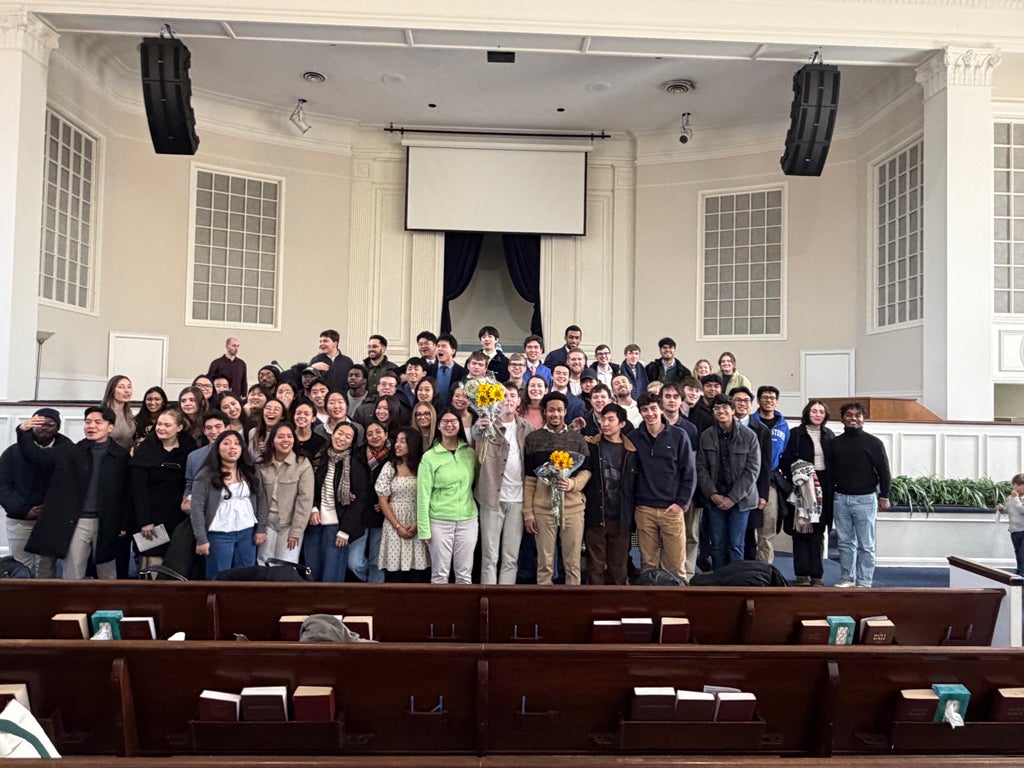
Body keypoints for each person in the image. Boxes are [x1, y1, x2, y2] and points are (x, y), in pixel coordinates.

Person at [20, 406, 132, 580]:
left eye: (98, 422)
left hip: (108, 521)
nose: (91, 426)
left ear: (110, 427)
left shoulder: (121, 456)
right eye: (88, 422)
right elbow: (37, 457)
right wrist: (23, 432)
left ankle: (108, 599)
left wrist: (124, 523)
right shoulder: (71, 451)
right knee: (73, 570)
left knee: (108, 571)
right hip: (78, 519)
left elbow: (126, 492)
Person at [522, 392, 591, 585]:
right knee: (544, 564)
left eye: (560, 410)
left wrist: (573, 484)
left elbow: (586, 471)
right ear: (544, 412)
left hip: (572, 509)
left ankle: (571, 599)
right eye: (551, 410)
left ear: (565, 412)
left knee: (573, 563)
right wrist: (528, 513)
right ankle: (545, 600)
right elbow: (530, 479)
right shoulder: (534, 439)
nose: (556, 414)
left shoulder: (577, 439)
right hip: (543, 510)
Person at [630, 393, 696, 581]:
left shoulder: (679, 435)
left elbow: (689, 473)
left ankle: (678, 599)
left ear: (660, 409)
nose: (649, 413)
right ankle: (649, 599)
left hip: (671, 509)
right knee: (648, 565)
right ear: (640, 413)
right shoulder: (634, 437)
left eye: (653, 408)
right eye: (644, 410)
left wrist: (680, 503)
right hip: (644, 509)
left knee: (675, 566)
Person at [473, 383, 534, 584]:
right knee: (489, 556)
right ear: (496, 400)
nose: (508, 399)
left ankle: (506, 596)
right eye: (504, 396)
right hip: (491, 498)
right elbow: (476, 434)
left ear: (518, 401)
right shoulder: (487, 424)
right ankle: (488, 596)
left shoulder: (526, 427)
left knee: (511, 556)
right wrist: (481, 424)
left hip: (518, 499)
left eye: (512, 395)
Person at [0, 408, 71, 576]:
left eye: (50, 424)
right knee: (21, 566)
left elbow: (69, 486)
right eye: (39, 423)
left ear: (58, 427)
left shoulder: (67, 451)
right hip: (20, 519)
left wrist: (51, 508)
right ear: (31, 425)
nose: (44, 427)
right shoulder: (12, 452)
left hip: (51, 519)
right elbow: (3, 485)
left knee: (46, 568)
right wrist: (24, 510)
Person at [190, 430, 268, 580]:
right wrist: (201, 538)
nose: (232, 447)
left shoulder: (251, 471)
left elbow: (261, 500)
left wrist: (261, 528)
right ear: (217, 449)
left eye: (237, 444)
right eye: (226, 443)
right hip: (219, 534)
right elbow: (197, 508)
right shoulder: (205, 475)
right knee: (219, 577)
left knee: (246, 576)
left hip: (247, 532)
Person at [696, 394, 761, 570]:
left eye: (725, 407)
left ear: (733, 410)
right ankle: (719, 580)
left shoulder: (749, 436)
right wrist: (713, 495)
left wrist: (732, 498)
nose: (721, 411)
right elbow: (701, 468)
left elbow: (752, 471)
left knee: (736, 545)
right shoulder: (706, 436)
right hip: (715, 499)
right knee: (717, 544)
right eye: (717, 408)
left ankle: (735, 581)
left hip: (740, 500)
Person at [831, 402, 891, 588]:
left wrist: (885, 496)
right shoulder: (835, 443)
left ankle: (864, 582)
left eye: (858, 415)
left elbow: (884, 471)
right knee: (845, 542)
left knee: (866, 544)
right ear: (842, 419)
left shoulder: (874, 443)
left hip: (865, 499)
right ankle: (847, 578)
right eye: (849, 415)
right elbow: (831, 472)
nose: (853, 418)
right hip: (840, 498)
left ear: (864, 419)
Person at [418, 407, 479, 584]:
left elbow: (477, 483)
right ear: (438, 426)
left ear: (459, 425)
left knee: (464, 575)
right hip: (439, 521)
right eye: (445, 421)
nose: (449, 425)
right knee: (440, 574)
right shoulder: (430, 457)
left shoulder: (469, 454)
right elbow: (423, 495)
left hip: (467, 520)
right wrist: (424, 529)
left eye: (453, 421)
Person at [131, 408, 195, 571]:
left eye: (167, 425)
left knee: (178, 561)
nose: (161, 428)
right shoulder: (145, 449)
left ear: (179, 428)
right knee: (152, 563)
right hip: (152, 517)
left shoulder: (189, 447)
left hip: (180, 517)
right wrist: (145, 522)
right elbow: (138, 490)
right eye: (159, 424)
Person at [305, 423, 369, 582]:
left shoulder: (355, 464)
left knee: (331, 577)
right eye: (339, 433)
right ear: (332, 434)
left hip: (338, 526)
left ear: (352, 442)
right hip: (314, 523)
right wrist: (313, 508)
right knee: (312, 572)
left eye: (348, 436)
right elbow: (308, 486)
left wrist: (345, 530)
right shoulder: (319, 457)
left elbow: (360, 500)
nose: (342, 438)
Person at [780, 399, 834, 586]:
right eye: (814, 411)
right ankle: (801, 574)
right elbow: (785, 460)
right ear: (807, 413)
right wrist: (800, 474)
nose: (818, 414)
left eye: (821, 412)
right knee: (801, 529)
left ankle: (817, 575)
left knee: (818, 531)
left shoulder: (829, 435)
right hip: (801, 486)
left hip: (823, 486)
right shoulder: (796, 433)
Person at [583, 403, 638, 585]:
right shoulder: (591, 446)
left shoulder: (631, 451)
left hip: (621, 517)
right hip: (596, 514)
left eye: (610, 420)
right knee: (595, 567)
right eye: (603, 419)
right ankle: (594, 601)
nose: (605, 424)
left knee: (618, 568)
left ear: (622, 424)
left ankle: (617, 602)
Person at [376, 428, 430, 582]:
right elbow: (383, 501)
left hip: (418, 519)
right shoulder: (390, 466)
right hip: (394, 521)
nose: (397, 445)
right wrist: (398, 526)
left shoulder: (423, 466)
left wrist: (418, 523)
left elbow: (429, 495)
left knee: (417, 573)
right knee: (395, 574)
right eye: (397, 441)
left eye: (403, 441)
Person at [257, 422, 314, 566]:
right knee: (264, 563)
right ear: (272, 441)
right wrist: (260, 527)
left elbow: (305, 500)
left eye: (289, 436)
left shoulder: (302, 464)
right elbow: (257, 497)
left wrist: (296, 531)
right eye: (280, 436)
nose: (285, 440)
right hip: (266, 523)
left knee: (287, 565)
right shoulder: (261, 464)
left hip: (289, 524)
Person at [750, 384, 791, 564]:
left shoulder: (783, 425)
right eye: (765, 398)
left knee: (768, 525)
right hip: (749, 477)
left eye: (772, 398)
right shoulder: (750, 422)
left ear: (777, 402)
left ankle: (765, 568)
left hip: (770, 479)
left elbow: (785, 451)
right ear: (758, 401)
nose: (769, 401)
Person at [348, 421, 391, 583]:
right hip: (360, 514)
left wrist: (389, 501)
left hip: (382, 516)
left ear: (386, 434)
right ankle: (370, 583)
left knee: (377, 563)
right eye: (370, 433)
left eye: (378, 432)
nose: (374, 436)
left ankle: (375, 593)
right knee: (354, 562)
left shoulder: (394, 455)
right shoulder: (357, 455)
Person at [310, 329, 355, 395]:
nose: (321, 344)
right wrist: (312, 369)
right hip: (322, 399)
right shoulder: (315, 360)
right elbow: (307, 382)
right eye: (320, 341)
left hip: (342, 399)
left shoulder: (347, 362)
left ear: (335, 344)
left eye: (325, 341)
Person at [429, 333, 467, 409]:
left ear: (453, 351)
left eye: (444, 346)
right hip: (433, 412)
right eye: (438, 346)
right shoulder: (428, 370)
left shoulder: (463, 373)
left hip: (454, 412)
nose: (439, 349)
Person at [996, 473, 1024, 577]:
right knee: (1017, 552)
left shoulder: (1015, 498)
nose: (1015, 487)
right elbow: (1008, 510)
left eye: (1019, 485)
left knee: (1022, 553)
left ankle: (1022, 573)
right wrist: (1001, 509)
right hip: (1014, 530)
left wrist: (1016, 499)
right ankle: (1020, 571)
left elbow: (1022, 511)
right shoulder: (1010, 498)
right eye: (1014, 484)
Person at [101, 374, 136, 450]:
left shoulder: (128, 412)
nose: (127, 390)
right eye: (121, 387)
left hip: (127, 454)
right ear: (112, 390)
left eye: (129, 387)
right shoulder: (102, 412)